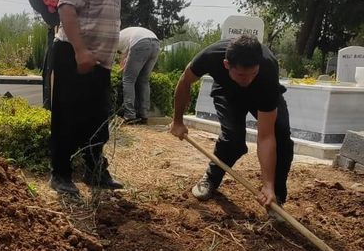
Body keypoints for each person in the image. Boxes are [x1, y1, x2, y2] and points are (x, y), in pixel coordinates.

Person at [169, 36, 294, 214]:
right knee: (233, 141)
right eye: (242, 74)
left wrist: (267, 184)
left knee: (282, 139)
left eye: (253, 73)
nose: (248, 79)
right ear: (227, 64)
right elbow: (185, 81)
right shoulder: (210, 56)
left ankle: (275, 197)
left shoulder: (266, 71)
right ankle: (211, 178)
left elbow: (265, 136)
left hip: (260, 92)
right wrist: (178, 121)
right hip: (227, 91)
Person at [49, 0, 131, 195]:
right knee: (67, 118)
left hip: (98, 62)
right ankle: (60, 174)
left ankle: (94, 171)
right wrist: (80, 50)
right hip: (74, 55)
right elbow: (66, 9)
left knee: (97, 120)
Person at [117, 27, 160, 124]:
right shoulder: (125, 35)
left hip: (140, 43)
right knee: (143, 80)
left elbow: (120, 58)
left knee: (128, 80)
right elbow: (127, 57)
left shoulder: (115, 40)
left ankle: (129, 116)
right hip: (155, 43)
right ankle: (143, 114)